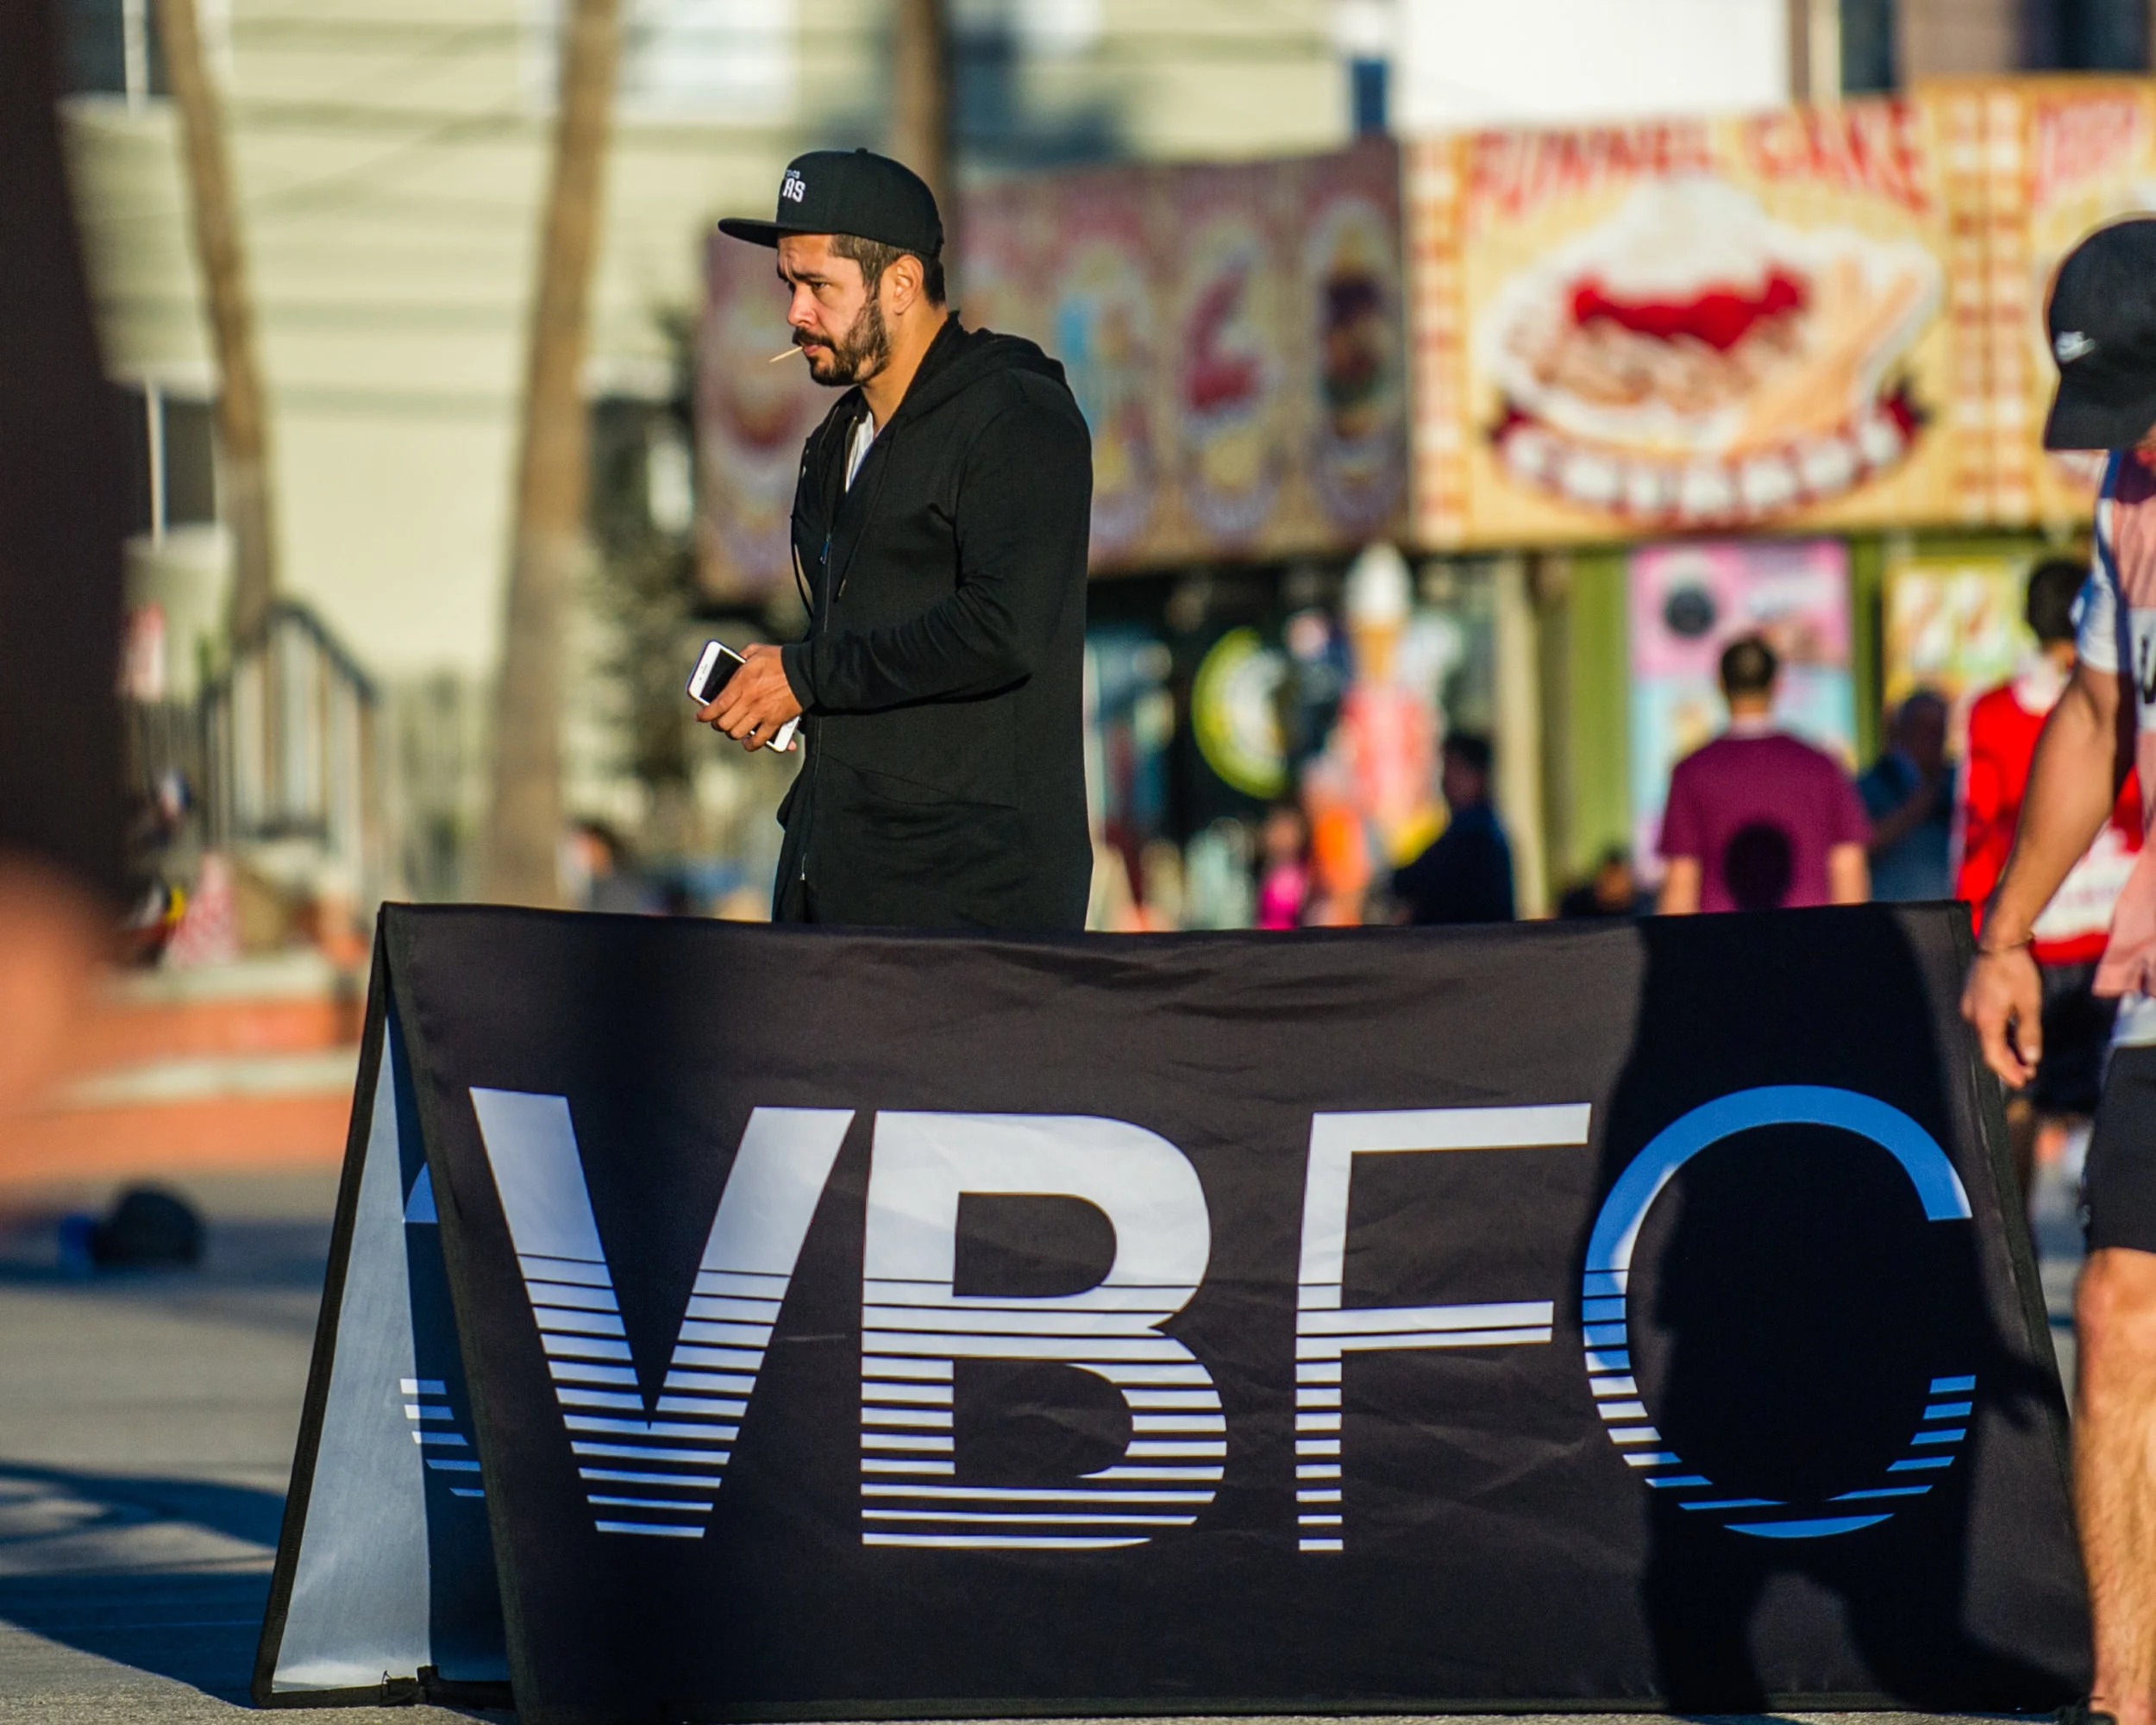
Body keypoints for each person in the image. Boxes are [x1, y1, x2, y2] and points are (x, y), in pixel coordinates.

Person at [705, 151, 1093, 931]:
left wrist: (810, 675)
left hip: (970, 903)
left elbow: (1003, 628)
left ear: (902, 283)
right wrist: (791, 692)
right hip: (835, 887)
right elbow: (864, 654)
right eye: (788, 284)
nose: (795, 312)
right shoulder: (836, 442)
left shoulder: (1014, 417)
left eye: (819, 286)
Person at [1962, 216, 2156, 1725]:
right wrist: (2008, 933)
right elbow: (2097, 716)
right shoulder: (2127, 498)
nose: (2128, 444)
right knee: (2119, 1309)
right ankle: (2124, 1698)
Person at [1959, 557, 2142, 1195]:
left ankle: (2019, 1248)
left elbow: (1975, 829)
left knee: (2017, 1099)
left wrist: (1982, 934)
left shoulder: (1991, 711)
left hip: (2029, 941)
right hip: (2121, 937)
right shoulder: (2126, 697)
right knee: (2129, 1099)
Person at [1656, 635, 1870, 914]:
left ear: (1720, 685)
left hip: (1720, 938)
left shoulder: (1692, 771)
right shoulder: (1821, 766)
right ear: (1777, 684)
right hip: (1811, 936)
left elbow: (1681, 880)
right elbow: (1848, 867)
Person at [1391, 732, 1515, 925]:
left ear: (1477, 776)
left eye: (1454, 769)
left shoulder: (1475, 836)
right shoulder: (1477, 830)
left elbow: (1412, 880)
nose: (1445, 780)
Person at [1859, 688, 1954, 900]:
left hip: (1952, 910)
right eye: (1923, 727)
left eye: (1939, 729)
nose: (1932, 737)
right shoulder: (1873, 783)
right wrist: (1915, 808)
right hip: (1891, 909)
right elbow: (1859, 847)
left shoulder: (1957, 783)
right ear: (1901, 729)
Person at [1558, 846, 1639, 919]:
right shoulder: (1576, 903)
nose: (1613, 884)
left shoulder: (1640, 908)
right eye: (1609, 878)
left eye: (1617, 878)